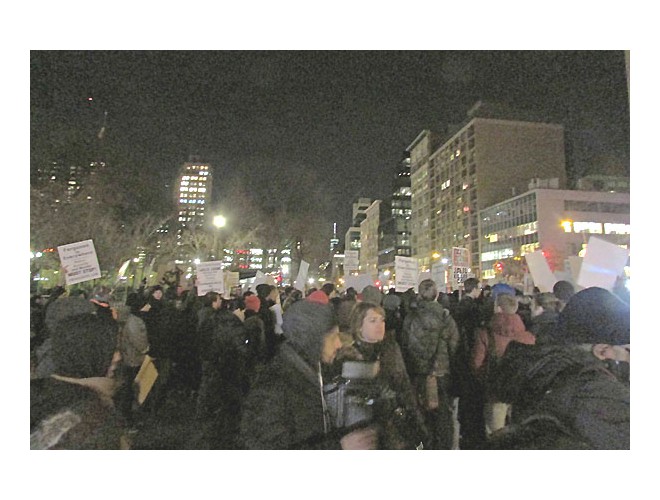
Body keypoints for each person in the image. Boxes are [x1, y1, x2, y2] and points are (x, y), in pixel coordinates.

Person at [239, 300, 378, 449]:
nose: (339, 344)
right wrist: (339, 447)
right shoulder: (274, 386)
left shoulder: (309, 371)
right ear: (312, 339)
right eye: (333, 337)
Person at [326, 301, 427, 449]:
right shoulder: (347, 357)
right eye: (373, 321)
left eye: (382, 320)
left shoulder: (391, 349)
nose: (380, 325)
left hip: (397, 428)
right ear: (359, 325)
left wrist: (417, 422)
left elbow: (404, 386)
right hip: (367, 432)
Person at [30, 312, 126, 449]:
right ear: (87, 351)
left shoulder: (38, 390)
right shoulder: (95, 418)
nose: (118, 357)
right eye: (112, 350)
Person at [399, 279, 460, 449]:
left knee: (420, 413)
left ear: (419, 294)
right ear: (437, 295)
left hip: (417, 371)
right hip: (440, 372)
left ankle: (425, 444)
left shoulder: (410, 317)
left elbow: (404, 343)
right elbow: (454, 344)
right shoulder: (446, 318)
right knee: (442, 415)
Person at [471, 293, 535, 436]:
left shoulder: (485, 334)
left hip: (495, 389)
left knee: (495, 434)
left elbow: (476, 363)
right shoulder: (528, 336)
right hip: (519, 391)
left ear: (498, 308)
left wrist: (485, 380)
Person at [452, 276, 487, 449]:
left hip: (460, 356)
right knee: (472, 397)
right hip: (470, 355)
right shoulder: (473, 309)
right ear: (474, 289)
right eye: (479, 288)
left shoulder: (458, 306)